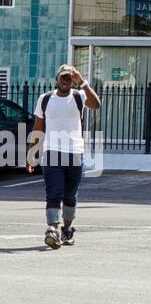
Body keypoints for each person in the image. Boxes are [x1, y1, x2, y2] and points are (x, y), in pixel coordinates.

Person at [27, 64, 100, 249]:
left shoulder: (79, 96)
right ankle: (52, 229)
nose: (66, 80)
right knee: (53, 193)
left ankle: (67, 229)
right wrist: (31, 152)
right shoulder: (45, 99)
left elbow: (96, 104)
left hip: (75, 153)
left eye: (70, 77)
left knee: (70, 196)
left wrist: (82, 81)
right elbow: (38, 126)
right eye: (63, 77)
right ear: (57, 79)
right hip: (52, 152)